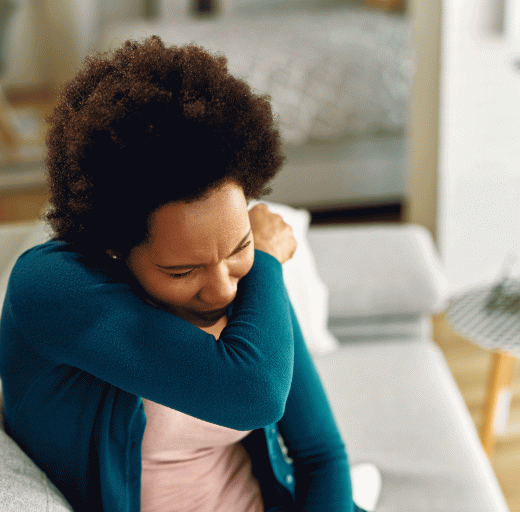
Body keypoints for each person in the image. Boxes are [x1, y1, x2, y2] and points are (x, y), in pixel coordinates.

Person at [0, 36, 366, 511]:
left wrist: (257, 265)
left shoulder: (247, 282)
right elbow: (254, 393)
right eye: (183, 270)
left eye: (239, 247)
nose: (222, 288)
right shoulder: (51, 289)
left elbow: (320, 455)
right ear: (113, 247)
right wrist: (268, 262)